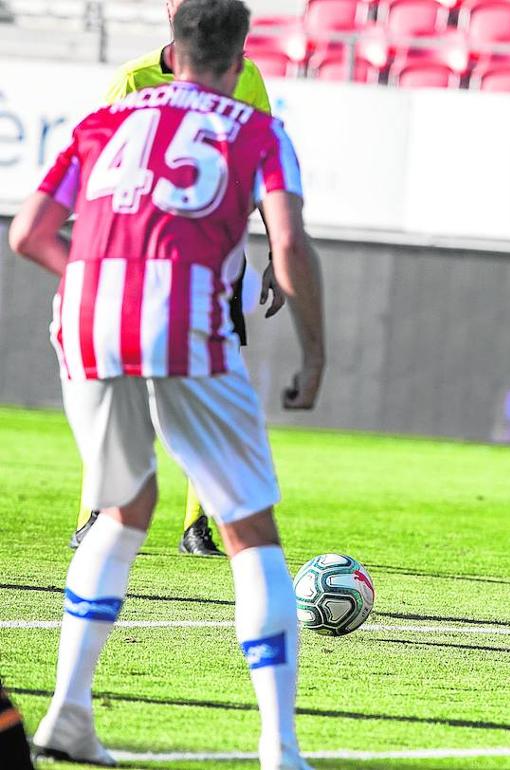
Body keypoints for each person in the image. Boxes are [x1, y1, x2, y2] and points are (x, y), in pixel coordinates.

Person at [7, 0, 325, 766]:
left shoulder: (102, 120)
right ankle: (280, 749)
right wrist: (315, 354)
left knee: (121, 507)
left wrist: (92, 276)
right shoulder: (255, 128)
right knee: (252, 531)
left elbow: (27, 234)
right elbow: (287, 243)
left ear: (170, 50)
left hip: (82, 317)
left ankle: (69, 715)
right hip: (181, 316)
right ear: (240, 56)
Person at [68, 0, 284, 558]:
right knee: (123, 393)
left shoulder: (249, 75)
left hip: (214, 270)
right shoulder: (131, 79)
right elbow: (100, 173)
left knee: (211, 388)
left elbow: (262, 176)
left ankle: (196, 524)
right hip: (136, 267)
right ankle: (94, 511)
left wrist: (274, 255)